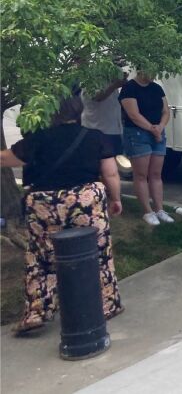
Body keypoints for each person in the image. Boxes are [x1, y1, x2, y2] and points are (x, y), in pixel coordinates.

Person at [0, 95, 124, 335]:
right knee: (99, 252)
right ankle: (107, 303)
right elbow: (110, 173)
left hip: (44, 205)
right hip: (85, 203)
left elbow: (7, 158)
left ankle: (38, 310)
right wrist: (116, 198)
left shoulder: (37, 139)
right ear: (77, 110)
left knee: (40, 256)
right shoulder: (95, 137)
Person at [119, 71, 173, 226]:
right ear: (141, 69)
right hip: (138, 134)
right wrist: (152, 129)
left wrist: (160, 127)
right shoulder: (130, 88)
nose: (153, 74)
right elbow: (134, 115)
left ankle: (160, 209)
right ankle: (147, 211)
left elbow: (166, 111)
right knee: (141, 174)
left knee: (156, 173)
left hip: (157, 132)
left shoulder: (156, 88)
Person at [82, 71, 127, 157]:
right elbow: (97, 97)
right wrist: (114, 85)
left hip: (115, 131)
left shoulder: (111, 82)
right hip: (97, 131)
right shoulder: (89, 81)